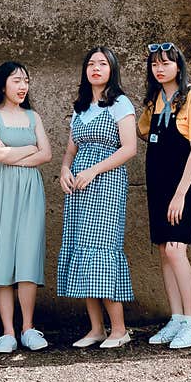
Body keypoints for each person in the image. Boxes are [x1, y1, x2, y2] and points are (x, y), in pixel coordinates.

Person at [57, 46, 137, 349]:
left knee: (102, 249)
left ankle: (119, 329)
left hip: (107, 184)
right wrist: (65, 169)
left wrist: (94, 170)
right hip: (79, 187)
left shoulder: (120, 103)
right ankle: (96, 329)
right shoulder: (80, 106)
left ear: (112, 69)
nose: (96, 68)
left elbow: (129, 148)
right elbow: (71, 148)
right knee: (82, 249)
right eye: (91, 63)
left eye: (102, 64)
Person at [0, 61, 53, 353]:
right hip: (0, 191)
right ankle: (8, 331)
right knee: (3, 256)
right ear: (2, 84)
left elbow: (46, 155)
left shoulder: (33, 116)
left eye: (26, 81)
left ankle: (28, 328)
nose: (22, 87)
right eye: (17, 80)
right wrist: (27, 150)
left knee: (28, 256)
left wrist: (12, 155)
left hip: (30, 191)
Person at [137, 41, 191, 349]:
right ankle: (176, 318)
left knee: (178, 249)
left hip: (183, 186)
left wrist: (181, 194)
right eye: (155, 64)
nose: (160, 68)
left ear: (178, 66)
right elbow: (143, 131)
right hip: (158, 184)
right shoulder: (153, 100)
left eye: (166, 63)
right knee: (165, 251)